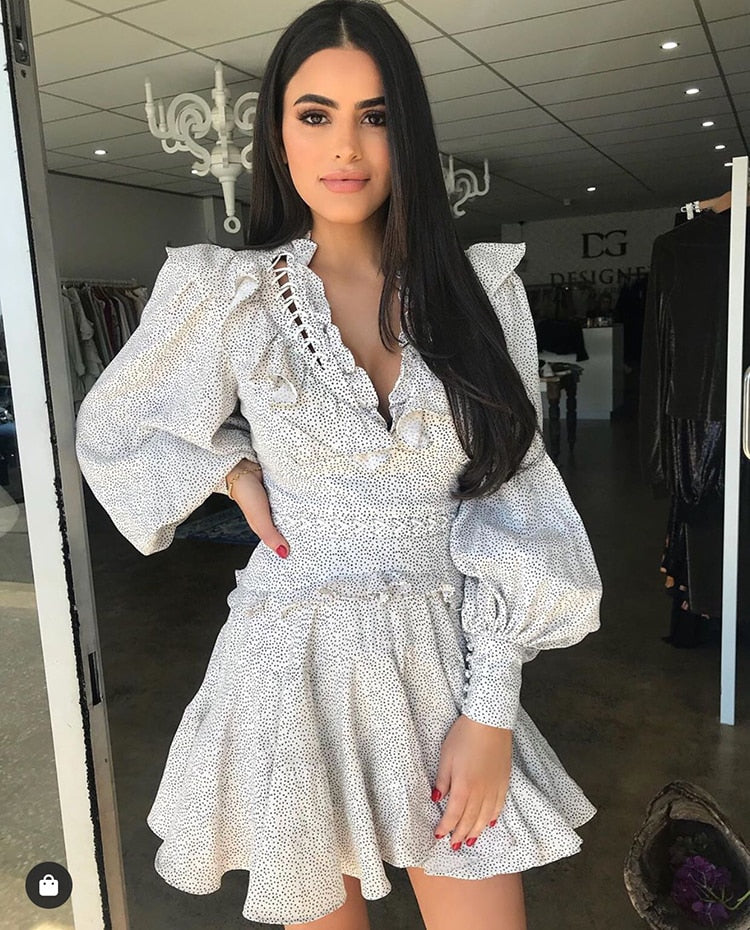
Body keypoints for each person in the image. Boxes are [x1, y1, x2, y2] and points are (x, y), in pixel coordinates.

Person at [74, 2, 603, 928]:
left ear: (410, 133)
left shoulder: (480, 295)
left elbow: (513, 500)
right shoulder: (228, 292)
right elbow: (116, 426)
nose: (345, 147)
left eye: (376, 115)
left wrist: (490, 710)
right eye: (315, 114)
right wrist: (233, 469)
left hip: (448, 664)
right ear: (277, 135)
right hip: (292, 669)